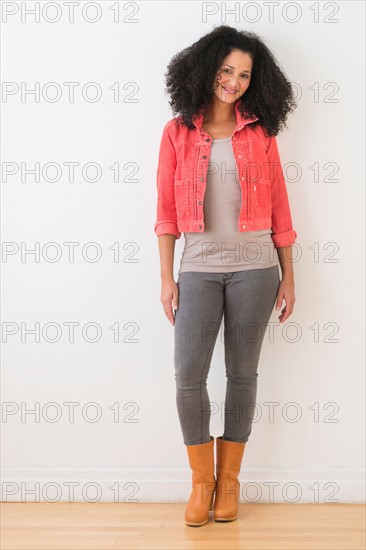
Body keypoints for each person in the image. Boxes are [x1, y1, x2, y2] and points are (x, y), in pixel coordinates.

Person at [154, 25, 298, 527]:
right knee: (188, 375)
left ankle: (230, 482)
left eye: (244, 74)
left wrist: (288, 275)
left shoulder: (261, 132)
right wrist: (167, 277)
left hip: (256, 269)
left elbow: (280, 207)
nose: (233, 81)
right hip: (197, 269)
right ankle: (201, 482)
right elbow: (167, 213)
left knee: (243, 374)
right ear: (205, 68)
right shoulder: (177, 133)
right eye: (225, 70)